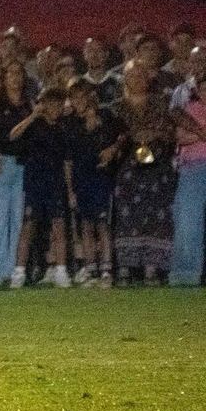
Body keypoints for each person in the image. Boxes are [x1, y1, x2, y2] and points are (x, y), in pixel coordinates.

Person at [111, 61, 176, 283]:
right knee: (127, 217)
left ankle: (152, 268)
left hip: (157, 168)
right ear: (125, 79)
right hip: (128, 169)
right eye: (132, 75)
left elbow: (168, 131)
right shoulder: (117, 106)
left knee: (157, 215)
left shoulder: (161, 103)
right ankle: (126, 268)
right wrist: (137, 136)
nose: (138, 79)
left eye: (142, 75)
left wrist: (150, 135)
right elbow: (114, 135)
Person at [8, 86, 73, 289]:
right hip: (35, 183)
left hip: (55, 184)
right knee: (28, 227)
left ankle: (61, 271)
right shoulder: (34, 125)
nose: (55, 107)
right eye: (51, 103)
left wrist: (69, 190)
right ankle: (18, 273)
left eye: (58, 104)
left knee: (59, 227)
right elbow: (13, 136)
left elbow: (67, 162)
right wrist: (31, 117)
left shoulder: (63, 129)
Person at [0, 61, 35, 285]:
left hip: (24, 164)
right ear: (3, 79)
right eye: (11, 73)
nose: (16, 78)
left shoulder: (29, 104)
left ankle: (14, 271)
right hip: (2, 164)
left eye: (19, 73)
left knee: (19, 219)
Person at [65, 79, 119, 287]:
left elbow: (122, 135)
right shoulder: (70, 123)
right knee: (86, 225)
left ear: (90, 97)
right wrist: (70, 189)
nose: (78, 101)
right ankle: (90, 270)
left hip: (101, 178)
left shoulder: (105, 116)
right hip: (81, 179)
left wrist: (113, 149)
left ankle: (106, 270)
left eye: (82, 96)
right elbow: (67, 160)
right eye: (74, 97)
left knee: (103, 224)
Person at [170, 46, 206, 286]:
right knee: (187, 220)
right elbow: (180, 136)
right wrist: (201, 134)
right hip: (192, 166)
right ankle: (185, 274)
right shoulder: (188, 109)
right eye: (203, 88)